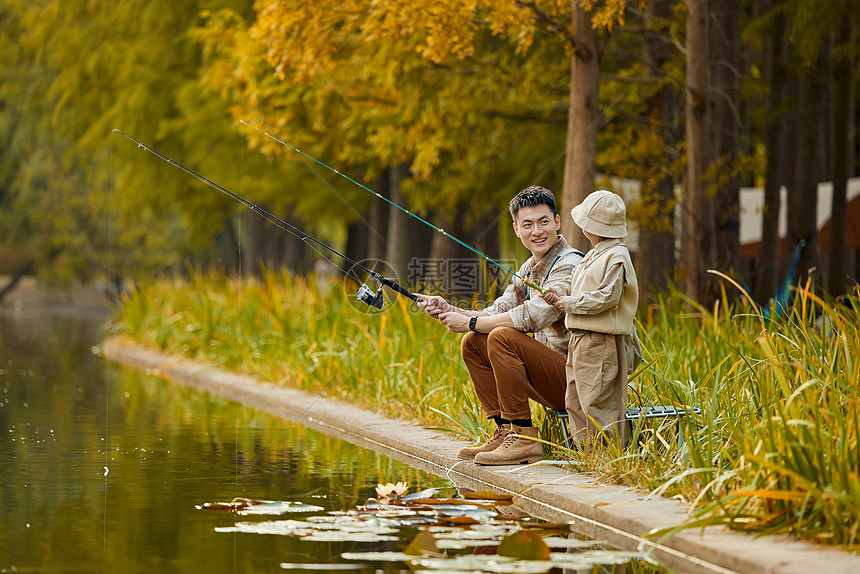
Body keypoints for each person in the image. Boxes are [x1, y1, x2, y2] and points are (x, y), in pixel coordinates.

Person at [416, 186, 583, 465]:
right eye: (527, 224)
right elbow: (496, 311)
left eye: (544, 221)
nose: (537, 231)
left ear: (557, 222)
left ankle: (524, 437)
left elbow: (535, 315)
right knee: (474, 341)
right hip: (548, 377)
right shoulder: (529, 268)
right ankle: (505, 429)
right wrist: (450, 309)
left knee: (500, 336)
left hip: (576, 382)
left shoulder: (570, 263)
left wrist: (468, 321)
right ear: (516, 229)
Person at [540, 189, 638, 447]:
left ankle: (609, 458)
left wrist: (569, 303)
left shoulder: (617, 255)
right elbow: (575, 285)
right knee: (575, 400)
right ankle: (587, 455)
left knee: (599, 402)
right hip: (579, 339)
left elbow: (608, 297)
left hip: (600, 341)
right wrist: (556, 294)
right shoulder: (593, 253)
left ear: (594, 226)